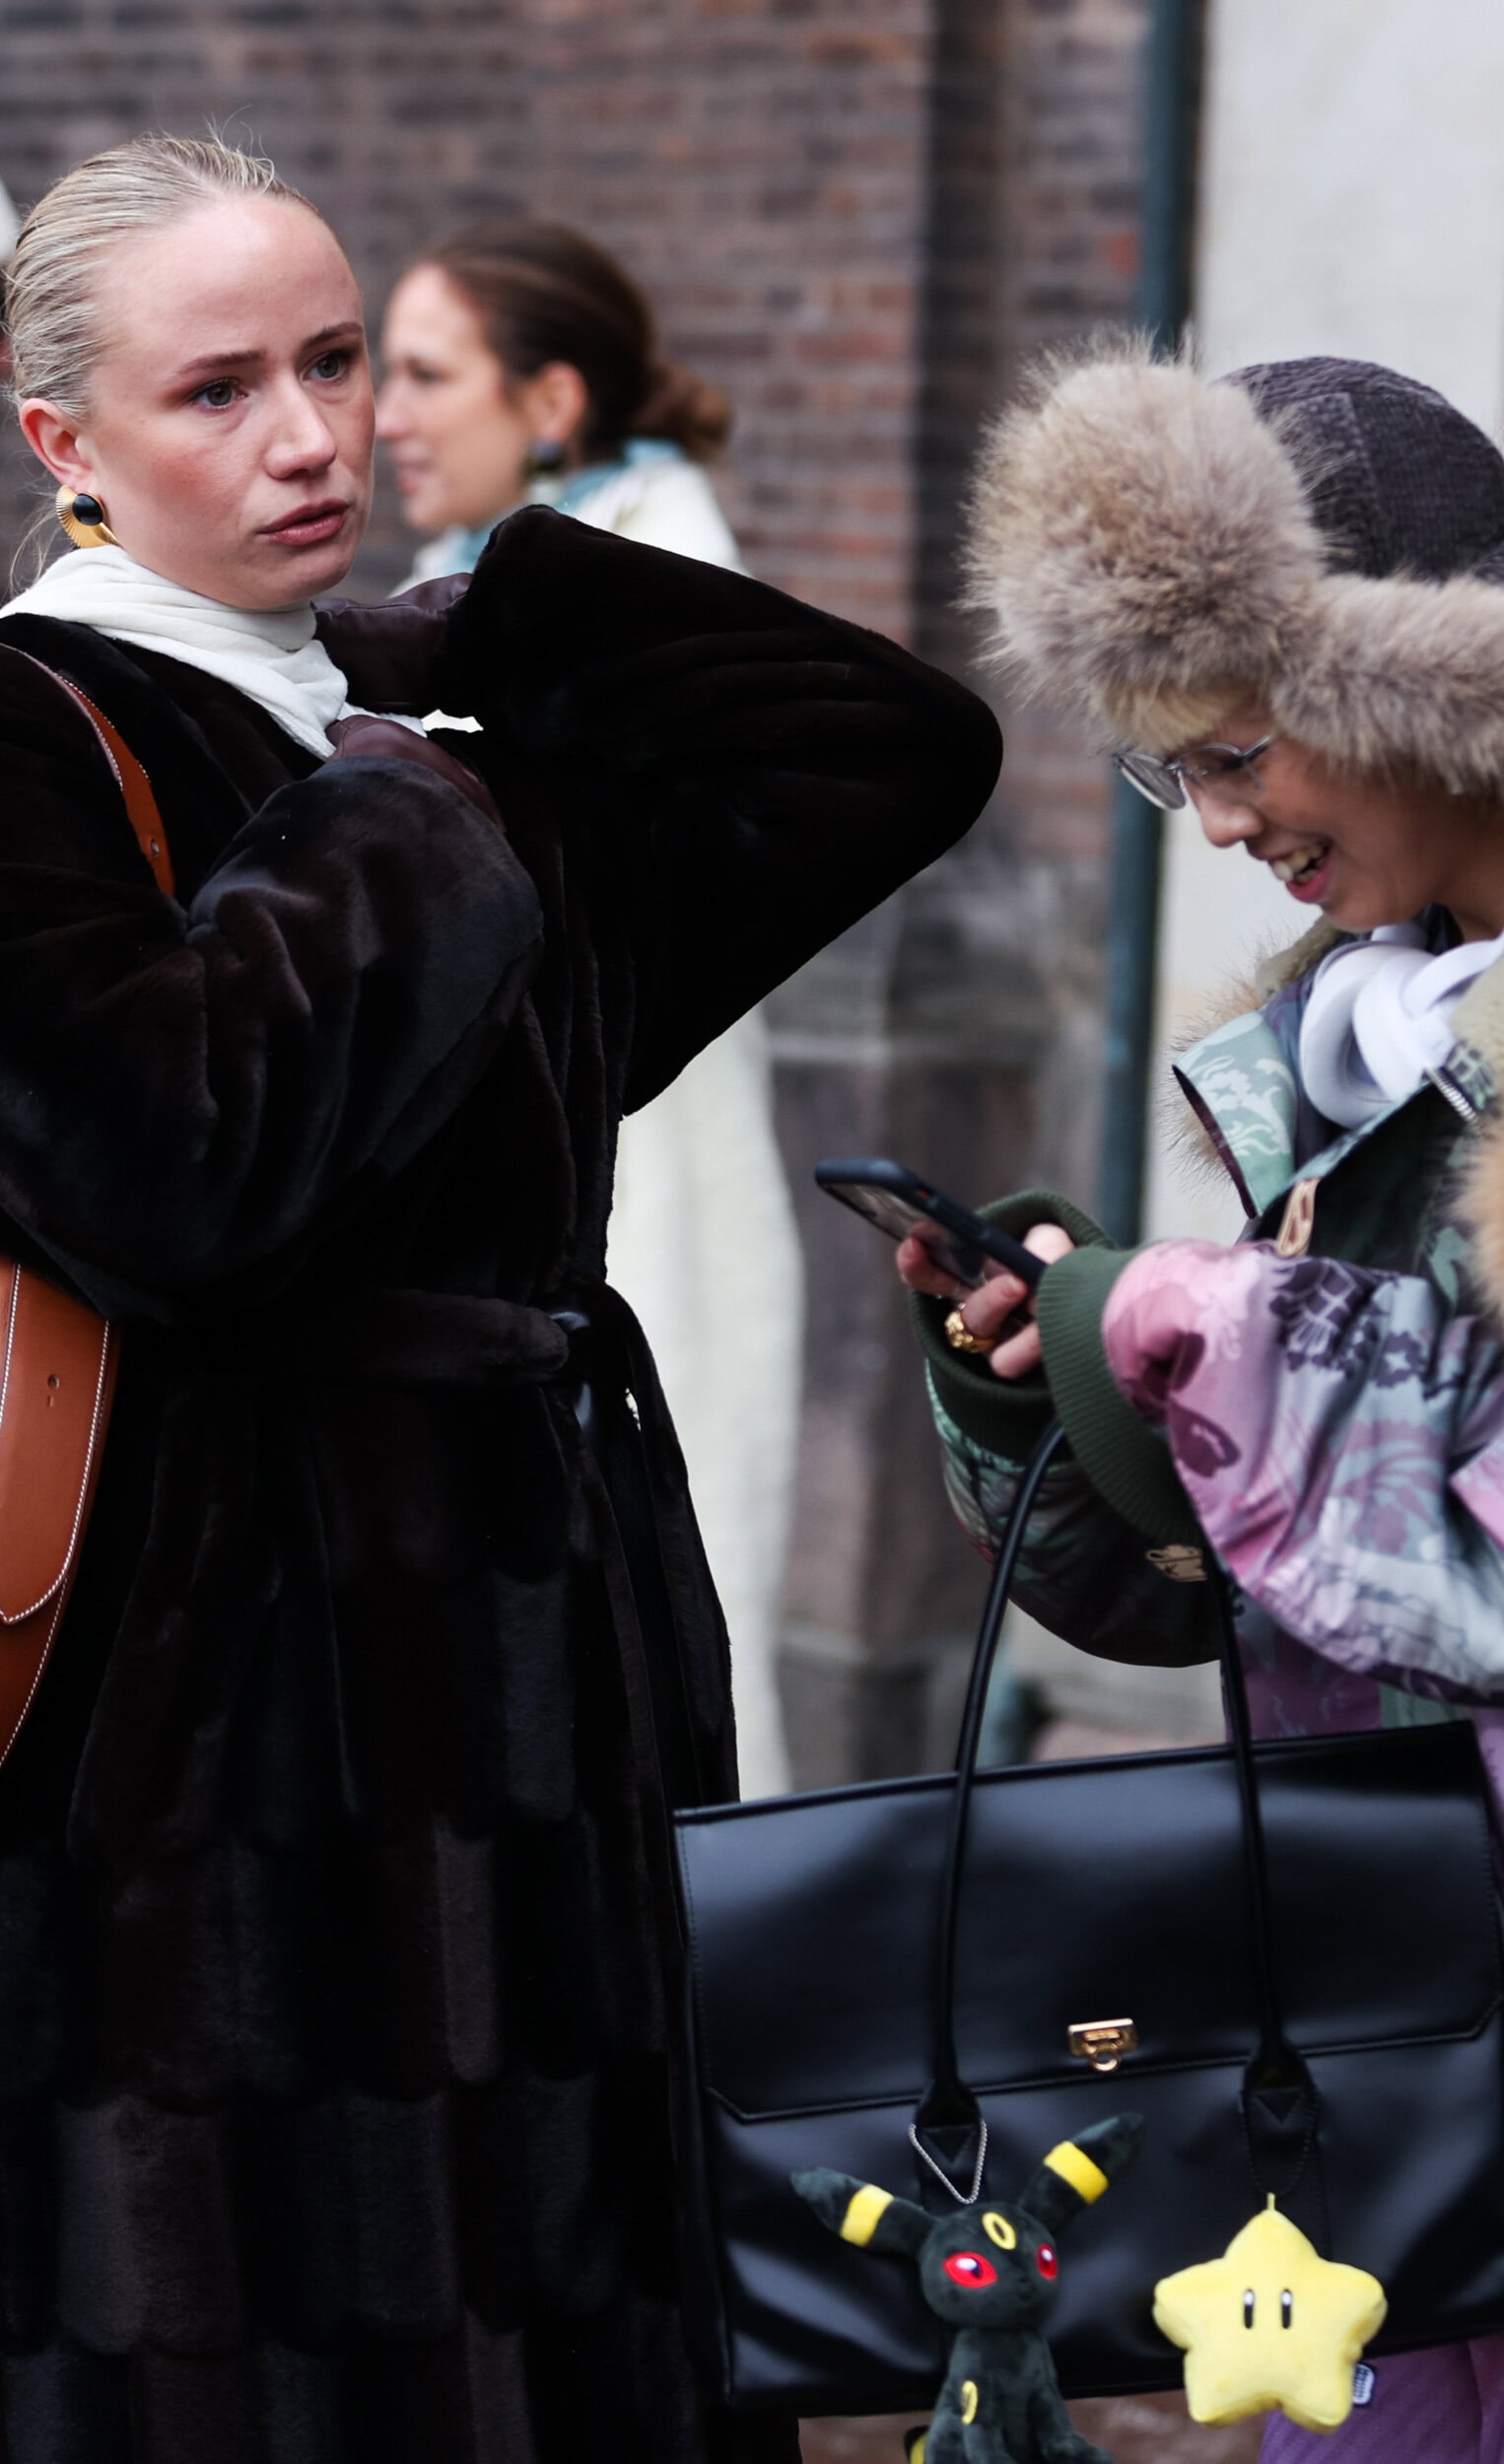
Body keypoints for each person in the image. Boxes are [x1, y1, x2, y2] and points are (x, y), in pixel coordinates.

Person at [0, 132, 1000, 2462]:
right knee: (268, 2306)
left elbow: (893, 751)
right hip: (234, 1702)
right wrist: (393, 808)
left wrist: (494, 621)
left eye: (339, 362)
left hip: (554, 1659)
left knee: (570, 2290)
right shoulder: (45, 730)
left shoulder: (419, 709)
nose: (312, 434)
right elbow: (156, 1164)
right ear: (64, 442)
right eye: (219, 389)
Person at [899, 349, 1504, 2461]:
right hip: (1406, 2009)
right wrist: (1056, 1390)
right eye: (1175, 775)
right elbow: (1263, 1592)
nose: (1222, 824)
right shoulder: (1363, 1047)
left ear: (1439, 692)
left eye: (1237, 750)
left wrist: (1191, 1334)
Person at [379, 221, 801, 1796]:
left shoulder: (652, 586)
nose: (383, 418)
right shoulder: (494, 572)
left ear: (550, 401)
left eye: (425, 376)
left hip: (635, 1175)